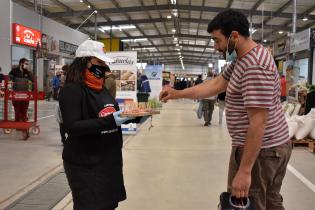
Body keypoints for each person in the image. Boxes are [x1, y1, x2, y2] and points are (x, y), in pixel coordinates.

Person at [159, 9, 291, 210]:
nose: (215, 46)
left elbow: (258, 122)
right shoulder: (243, 59)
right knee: (270, 203)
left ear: (234, 36)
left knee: (248, 204)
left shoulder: (254, 65)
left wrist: (245, 171)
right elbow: (215, 84)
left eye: (217, 40)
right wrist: (177, 94)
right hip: (265, 150)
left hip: (261, 153)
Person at [59, 40, 132, 210]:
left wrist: (129, 114)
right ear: (85, 61)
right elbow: (72, 126)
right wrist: (111, 120)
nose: (103, 67)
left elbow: (106, 115)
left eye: (104, 62)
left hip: (108, 160)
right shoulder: (72, 90)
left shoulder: (102, 88)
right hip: (85, 163)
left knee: (108, 204)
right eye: (99, 62)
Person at [9, 58, 33, 137]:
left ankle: (23, 125)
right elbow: (9, 79)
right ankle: (18, 126)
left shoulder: (27, 72)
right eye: (26, 63)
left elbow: (32, 80)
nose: (27, 65)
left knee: (24, 110)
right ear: (21, 63)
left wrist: (29, 73)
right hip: (16, 94)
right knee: (17, 110)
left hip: (25, 94)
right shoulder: (14, 71)